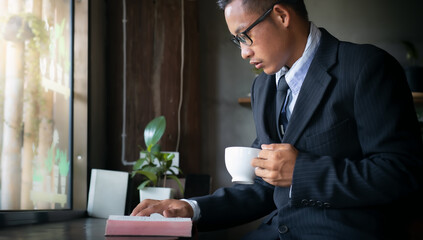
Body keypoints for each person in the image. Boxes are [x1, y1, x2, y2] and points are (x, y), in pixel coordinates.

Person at [131, 0, 423, 239]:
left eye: (246, 36)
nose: (244, 52)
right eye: (236, 41)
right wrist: (191, 208)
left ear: (281, 15)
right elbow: (264, 185)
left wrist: (301, 172)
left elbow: (401, 173)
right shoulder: (264, 88)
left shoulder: (366, 67)